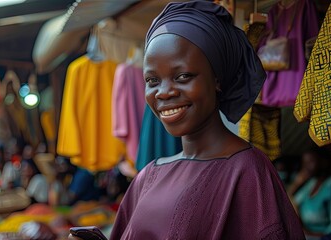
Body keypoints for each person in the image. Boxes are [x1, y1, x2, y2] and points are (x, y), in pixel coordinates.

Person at [69, 1, 304, 239]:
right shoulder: (148, 176)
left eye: (182, 76)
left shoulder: (247, 172)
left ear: (217, 79)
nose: (164, 92)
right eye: (152, 80)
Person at [291, 147, 331, 238]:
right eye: (304, 163)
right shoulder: (312, 183)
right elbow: (291, 202)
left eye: (310, 162)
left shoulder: (329, 186)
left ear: (324, 162)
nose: (305, 168)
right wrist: (296, 184)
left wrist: (307, 233)